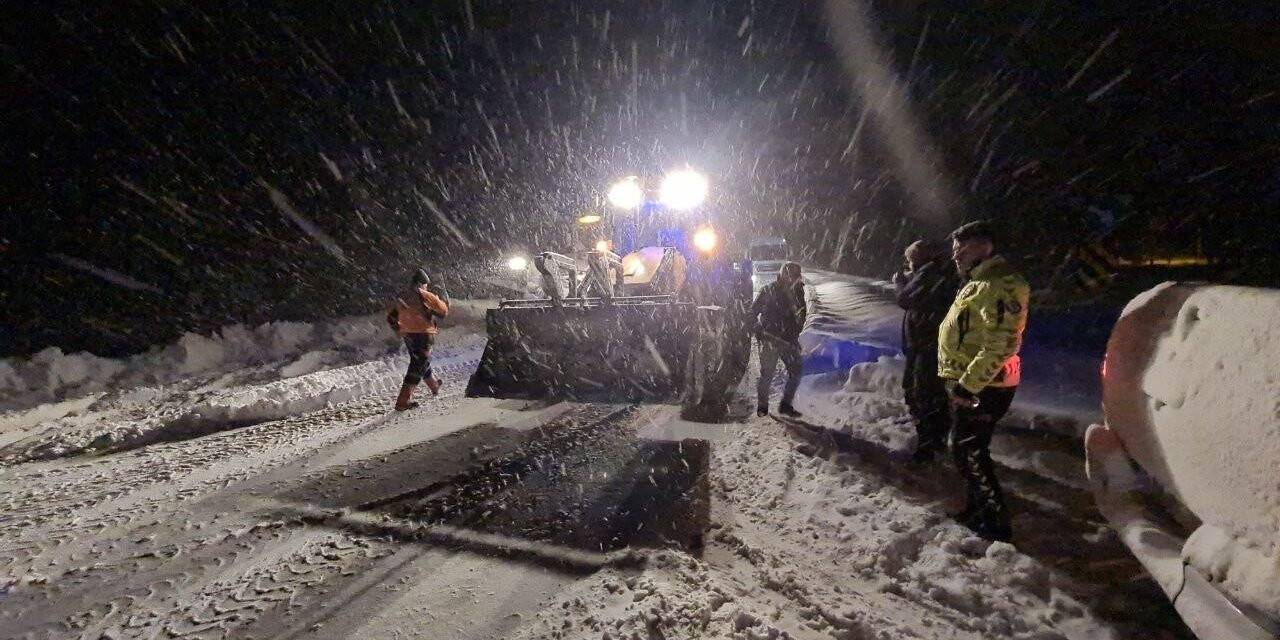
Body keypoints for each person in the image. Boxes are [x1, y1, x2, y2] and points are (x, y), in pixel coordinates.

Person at [938, 220, 1029, 542]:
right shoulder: (979, 282)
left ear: (983, 246)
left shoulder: (999, 284)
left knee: (971, 452)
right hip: (973, 382)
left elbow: (1002, 342)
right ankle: (977, 510)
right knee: (965, 450)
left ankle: (995, 523)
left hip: (986, 386)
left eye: (961, 249)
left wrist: (969, 386)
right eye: (954, 250)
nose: (956, 257)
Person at [893, 239, 959, 463]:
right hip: (929, 342)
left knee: (921, 393)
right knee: (931, 392)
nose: (908, 264)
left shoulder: (929, 273)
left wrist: (900, 282)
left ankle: (928, 444)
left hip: (925, 343)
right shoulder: (935, 274)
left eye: (910, 259)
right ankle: (935, 438)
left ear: (917, 259)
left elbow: (905, 298)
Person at [386, 267, 450, 411]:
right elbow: (443, 312)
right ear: (423, 283)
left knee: (419, 360)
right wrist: (443, 300)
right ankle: (403, 400)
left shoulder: (402, 296)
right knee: (418, 365)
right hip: (423, 335)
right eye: (426, 285)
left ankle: (434, 385)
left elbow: (391, 317)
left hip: (408, 335)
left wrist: (400, 329)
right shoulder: (425, 294)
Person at [752, 261, 806, 418]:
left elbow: (802, 316)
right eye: (790, 275)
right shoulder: (768, 290)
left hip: (789, 341)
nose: (793, 279)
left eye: (795, 277)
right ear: (783, 275)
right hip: (770, 339)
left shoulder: (798, 293)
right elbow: (752, 312)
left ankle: (785, 405)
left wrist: (795, 331)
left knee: (796, 372)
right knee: (767, 375)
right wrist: (758, 328)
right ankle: (762, 406)